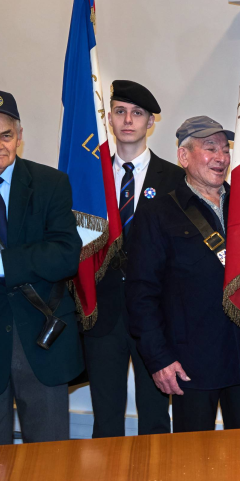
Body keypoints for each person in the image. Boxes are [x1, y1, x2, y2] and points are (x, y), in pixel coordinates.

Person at [124, 116, 240, 432]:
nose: (221, 157)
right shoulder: (158, 213)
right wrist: (159, 359)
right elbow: (141, 293)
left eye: (225, 149)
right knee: (193, 465)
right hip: (190, 365)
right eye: (209, 148)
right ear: (183, 157)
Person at [0, 89, 82, 446]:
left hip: (40, 335)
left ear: (19, 137)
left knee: (49, 466)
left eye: (6, 135)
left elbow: (65, 254)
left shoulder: (50, 183)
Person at [82, 80, 181, 437]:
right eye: (121, 111)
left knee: (155, 417)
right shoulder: (90, 178)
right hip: (103, 313)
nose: (128, 120)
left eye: (137, 113)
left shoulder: (174, 179)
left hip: (155, 318)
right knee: (105, 419)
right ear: (109, 118)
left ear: (150, 123)